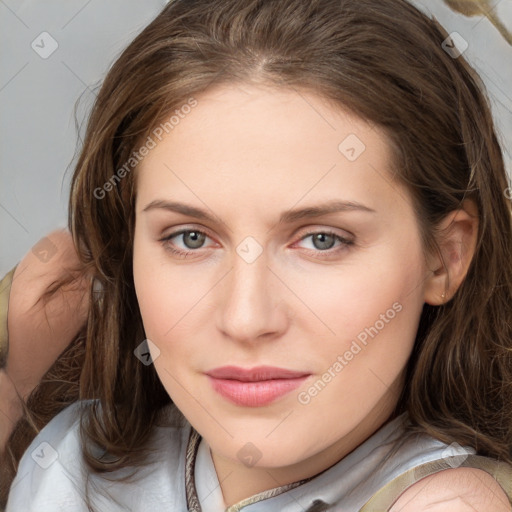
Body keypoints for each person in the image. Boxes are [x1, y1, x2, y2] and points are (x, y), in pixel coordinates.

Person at [3, 0, 512, 510]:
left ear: (444, 257)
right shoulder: (69, 463)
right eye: (191, 238)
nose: (245, 319)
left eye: (322, 240)